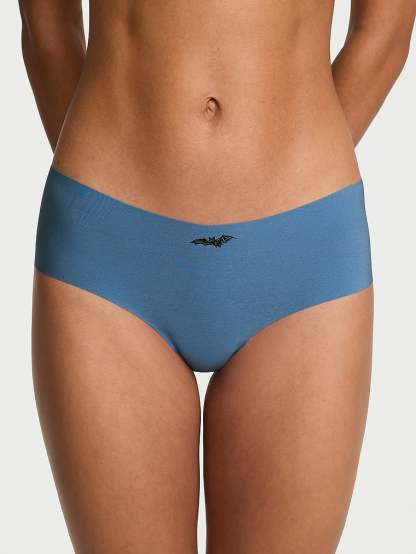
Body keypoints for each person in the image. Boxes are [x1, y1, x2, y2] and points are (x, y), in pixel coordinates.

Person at [19, 0, 415, 552]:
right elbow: (47, 27)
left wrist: (283, 176)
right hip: (109, 248)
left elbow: (387, 29)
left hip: (301, 252)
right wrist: (105, 206)